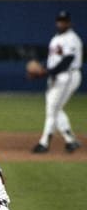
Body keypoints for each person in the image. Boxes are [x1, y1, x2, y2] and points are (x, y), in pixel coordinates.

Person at [31, 10, 83, 153]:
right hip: (57, 77)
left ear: (68, 23)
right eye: (59, 20)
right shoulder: (55, 39)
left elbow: (68, 60)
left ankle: (44, 142)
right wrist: (42, 71)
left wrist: (47, 72)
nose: (61, 23)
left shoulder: (72, 38)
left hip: (68, 75)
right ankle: (70, 140)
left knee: (52, 108)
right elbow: (53, 61)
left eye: (64, 21)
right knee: (55, 108)